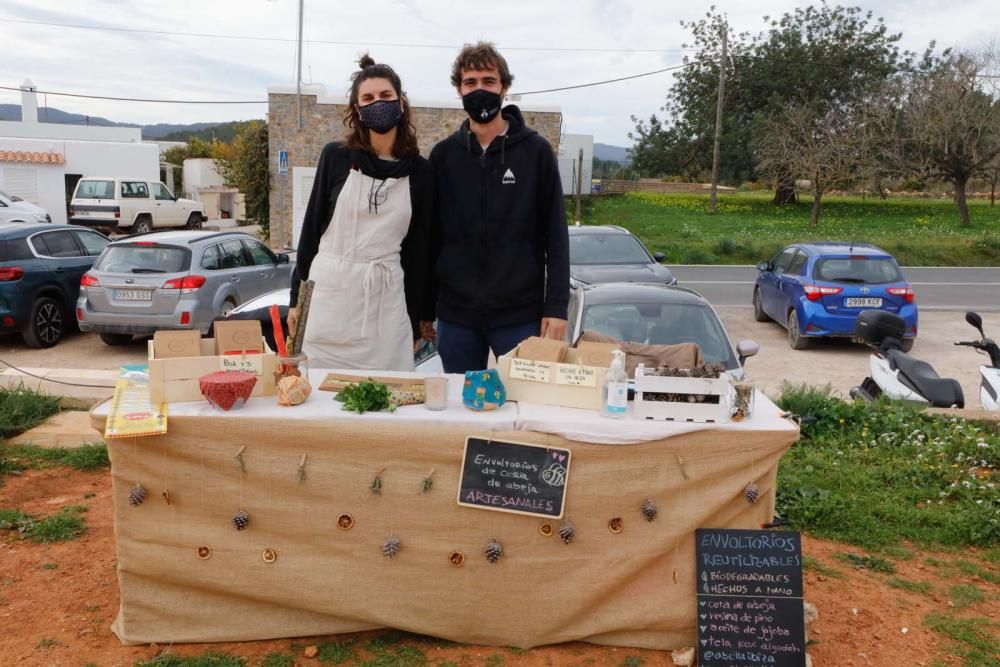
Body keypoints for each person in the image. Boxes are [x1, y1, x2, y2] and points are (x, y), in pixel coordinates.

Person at [426, 41, 569, 373]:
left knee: (524, 406)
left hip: (520, 315)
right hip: (456, 316)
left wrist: (557, 307)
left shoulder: (536, 152)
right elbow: (430, 239)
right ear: (459, 90)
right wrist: (424, 309)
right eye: (470, 82)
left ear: (505, 87)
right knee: (460, 409)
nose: (480, 90)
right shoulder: (443, 157)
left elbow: (556, 235)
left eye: (488, 81)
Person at [289, 54, 435, 371]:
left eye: (385, 96)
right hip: (328, 301)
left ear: (401, 103)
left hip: (385, 304)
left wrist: (418, 316)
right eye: (367, 98)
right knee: (318, 398)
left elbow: (418, 250)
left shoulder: (421, 173)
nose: (377, 103)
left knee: (387, 400)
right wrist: (295, 301)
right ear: (357, 109)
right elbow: (311, 232)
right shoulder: (336, 157)